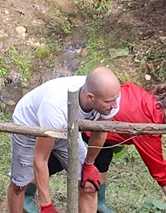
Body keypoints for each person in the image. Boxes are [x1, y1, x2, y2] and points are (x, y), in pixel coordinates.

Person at [9, 67, 121, 213]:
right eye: (109, 102)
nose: (115, 106)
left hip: (67, 128)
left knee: (89, 185)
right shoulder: (54, 107)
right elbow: (41, 158)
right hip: (29, 126)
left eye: (115, 98)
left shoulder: (110, 96)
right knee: (20, 185)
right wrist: (46, 205)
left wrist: (89, 164)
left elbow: (99, 133)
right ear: (90, 97)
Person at [69, 82, 166, 213]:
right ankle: (94, 201)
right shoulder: (148, 127)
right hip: (87, 124)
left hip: (92, 115)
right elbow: (158, 167)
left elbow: (126, 89)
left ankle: (100, 203)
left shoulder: (147, 100)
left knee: (104, 155)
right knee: (56, 160)